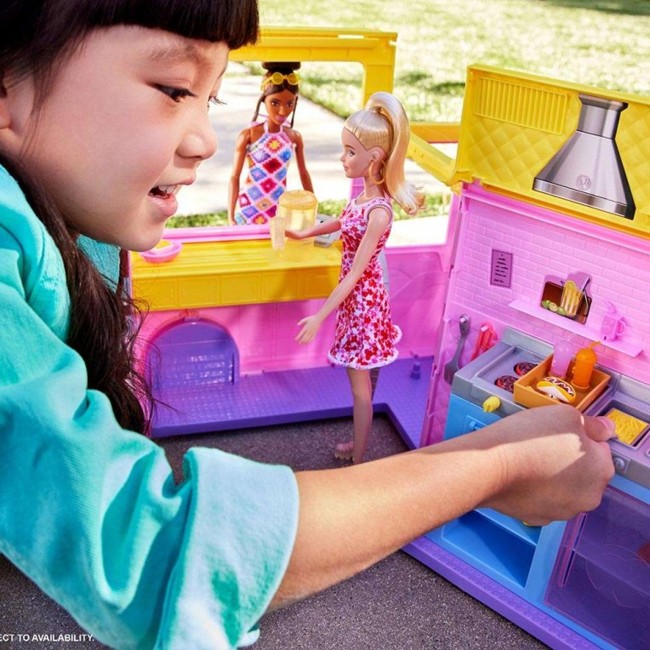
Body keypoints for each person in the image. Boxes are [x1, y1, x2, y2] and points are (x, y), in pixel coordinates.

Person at [0, 2, 616, 649]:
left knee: (359, 388)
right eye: (174, 89)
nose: (204, 139)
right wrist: (498, 468)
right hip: (350, 310)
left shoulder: (57, 215)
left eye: (208, 98)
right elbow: (156, 554)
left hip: (360, 311)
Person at [286, 92, 424, 464]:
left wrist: (319, 316)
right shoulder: (363, 200)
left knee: (361, 388)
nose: (343, 158)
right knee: (357, 385)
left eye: (350, 152)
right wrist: (306, 232)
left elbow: (355, 277)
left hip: (363, 304)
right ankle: (358, 445)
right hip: (353, 301)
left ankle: (360, 456)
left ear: (374, 157)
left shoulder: (379, 212)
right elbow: (343, 222)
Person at [228, 62, 314, 225]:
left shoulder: (294, 137)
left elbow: (304, 173)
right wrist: (230, 216)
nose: (283, 111)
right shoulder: (249, 135)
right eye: (275, 103)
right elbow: (234, 176)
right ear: (264, 101)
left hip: (278, 208)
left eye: (290, 103)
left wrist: (314, 208)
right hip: (249, 208)